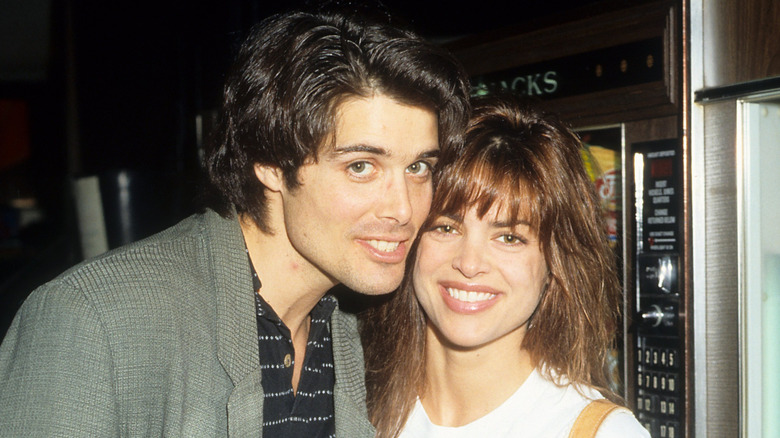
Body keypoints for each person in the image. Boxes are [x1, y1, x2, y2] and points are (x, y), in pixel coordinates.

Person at [0, 9, 469, 437]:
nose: (405, 210)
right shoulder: (96, 320)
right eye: (361, 166)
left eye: (418, 168)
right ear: (269, 161)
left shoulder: (353, 328)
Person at [361, 94, 649, 437]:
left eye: (509, 238)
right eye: (445, 227)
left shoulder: (601, 432)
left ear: (555, 265)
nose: (469, 264)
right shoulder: (352, 406)